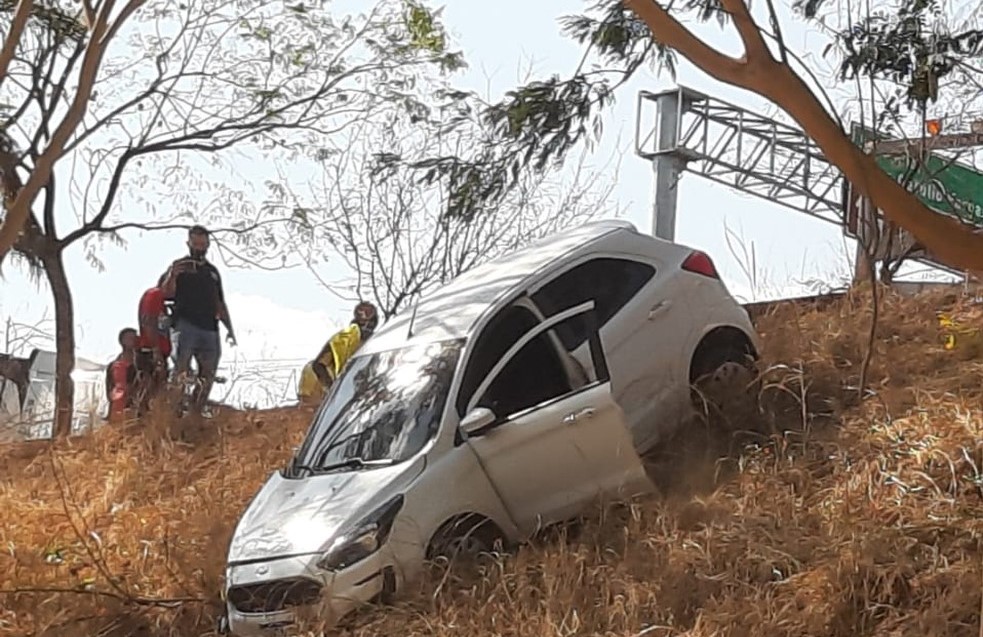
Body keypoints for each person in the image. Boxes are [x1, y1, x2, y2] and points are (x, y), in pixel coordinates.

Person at [161, 225, 236, 417]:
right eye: (196, 244)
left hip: (209, 328)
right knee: (181, 370)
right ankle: (172, 413)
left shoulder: (212, 272)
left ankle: (195, 412)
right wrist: (173, 275)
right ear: (189, 243)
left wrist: (230, 329)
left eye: (203, 244)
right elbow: (164, 293)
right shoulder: (178, 266)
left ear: (208, 245)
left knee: (208, 374)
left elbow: (219, 302)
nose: (199, 248)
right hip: (184, 325)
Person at [298, 301, 379, 405]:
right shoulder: (343, 339)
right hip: (330, 393)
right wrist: (333, 389)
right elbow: (318, 365)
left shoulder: (376, 342)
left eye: (371, 323)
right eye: (364, 323)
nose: (367, 327)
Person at [134, 275, 172, 415]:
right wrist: (156, 350)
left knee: (157, 386)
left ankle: (150, 417)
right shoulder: (155, 295)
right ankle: (139, 417)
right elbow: (148, 321)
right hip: (150, 350)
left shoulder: (162, 302)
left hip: (158, 349)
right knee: (149, 384)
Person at [105, 328, 138, 422]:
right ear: (122, 341)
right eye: (129, 338)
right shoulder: (113, 365)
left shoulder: (141, 365)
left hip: (133, 409)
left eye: (135, 338)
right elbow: (109, 387)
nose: (133, 341)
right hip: (116, 408)